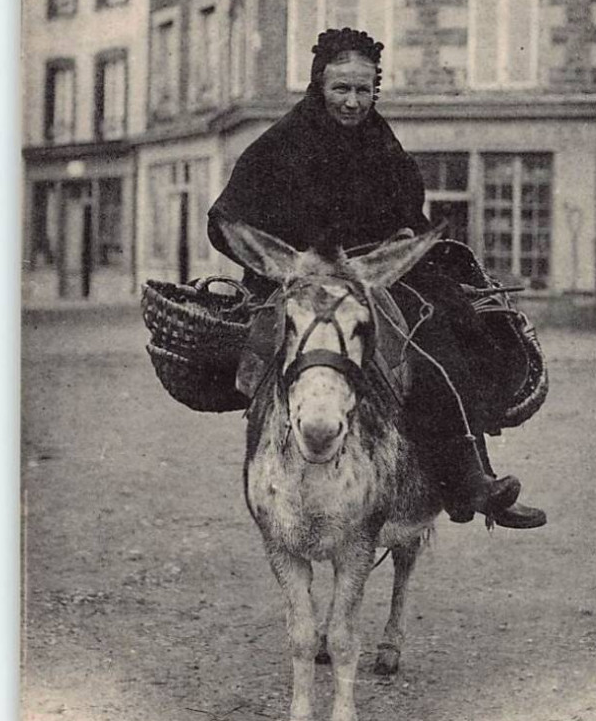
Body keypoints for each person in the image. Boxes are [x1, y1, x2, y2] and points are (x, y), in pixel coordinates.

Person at [208, 27, 546, 529]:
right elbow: (226, 221)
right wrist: (286, 260)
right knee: (277, 354)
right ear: (319, 86)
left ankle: (471, 479)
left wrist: (404, 239)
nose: (352, 102)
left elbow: (409, 211)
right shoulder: (278, 145)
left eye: (363, 90)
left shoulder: (382, 143)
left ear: (375, 91)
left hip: (375, 275)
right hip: (300, 277)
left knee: (438, 341)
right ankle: (272, 483)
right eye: (341, 89)